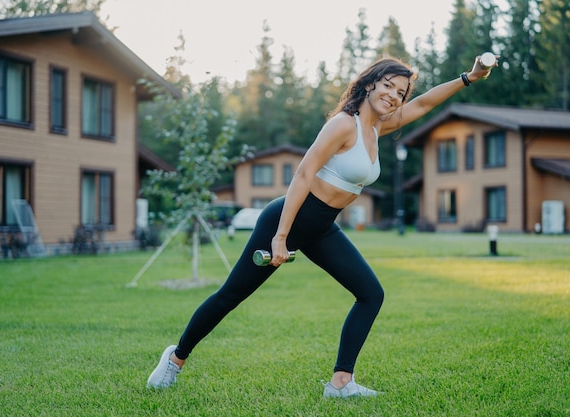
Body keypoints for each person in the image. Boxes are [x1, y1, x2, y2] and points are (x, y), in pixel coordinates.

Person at [147, 54, 497, 397]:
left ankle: (341, 382)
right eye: (388, 86)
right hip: (287, 217)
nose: (394, 95)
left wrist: (469, 77)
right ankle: (174, 359)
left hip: (322, 227)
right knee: (231, 296)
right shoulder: (343, 124)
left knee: (371, 294)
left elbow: (422, 106)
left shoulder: (377, 126)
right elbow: (302, 174)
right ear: (371, 83)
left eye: (400, 92)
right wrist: (281, 237)